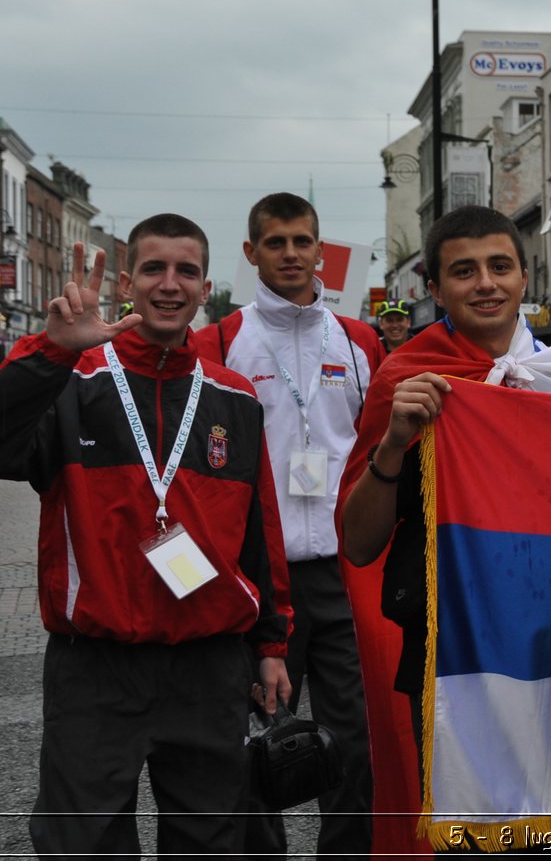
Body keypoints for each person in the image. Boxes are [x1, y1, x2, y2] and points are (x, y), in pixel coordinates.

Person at [0, 219, 293, 859]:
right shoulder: (71, 379)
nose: (170, 285)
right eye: (154, 270)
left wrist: (271, 644)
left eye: (185, 271)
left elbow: (258, 533)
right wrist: (49, 353)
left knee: (211, 841)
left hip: (209, 664)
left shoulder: (234, 397)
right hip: (97, 665)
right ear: (129, 283)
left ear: (206, 287)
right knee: (82, 843)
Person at [340, 205, 551, 853]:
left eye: (500, 266)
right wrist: (395, 444)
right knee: (473, 834)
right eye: (464, 271)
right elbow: (359, 540)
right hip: (451, 656)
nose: (485, 282)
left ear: (524, 275)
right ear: (434, 289)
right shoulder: (406, 378)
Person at [194, 192, 383, 860]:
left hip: (343, 574)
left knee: (357, 744)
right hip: (257, 583)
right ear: (251, 253)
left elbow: (384, 445)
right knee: (255, 748)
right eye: (276, 243)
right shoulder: (218, 340)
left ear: (320, 247)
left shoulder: (359, 341)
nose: (292, 255)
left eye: (303, 241)